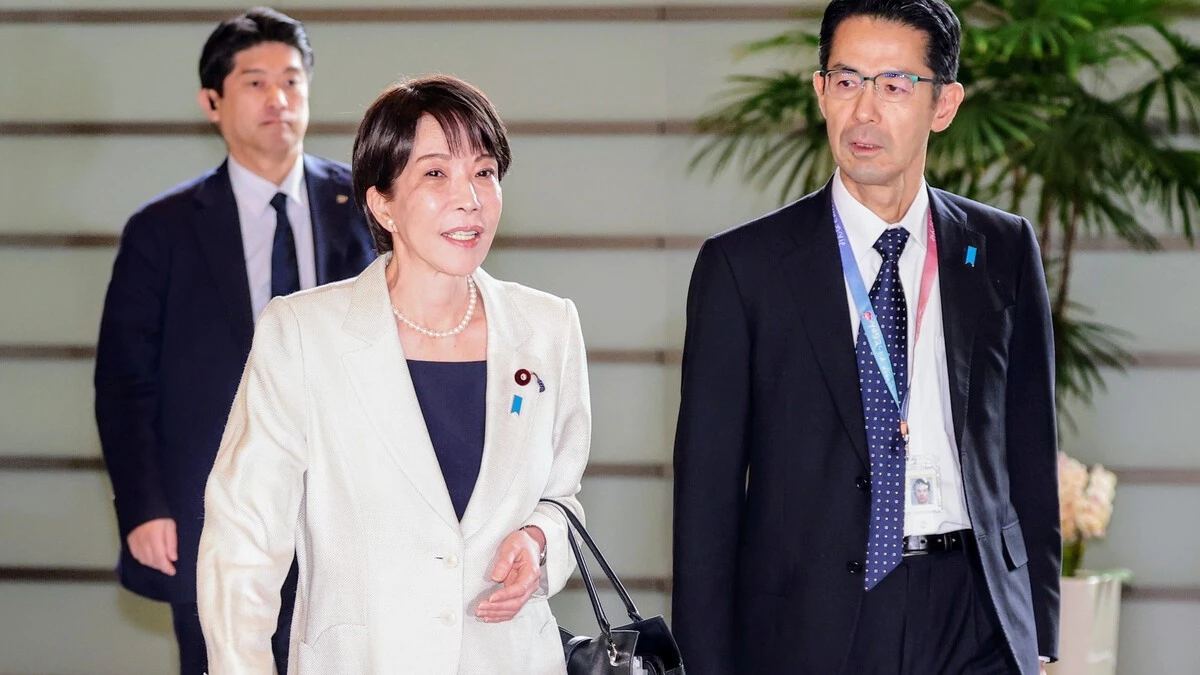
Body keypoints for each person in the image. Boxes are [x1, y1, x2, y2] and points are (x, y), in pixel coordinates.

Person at [671, 1, 1060, 673]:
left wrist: (1041, 635)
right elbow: (706, 498)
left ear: (944, 105)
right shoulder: (745, 267)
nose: (865, 110)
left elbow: (1029, 449)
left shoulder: (1000, 248)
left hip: (977, 614)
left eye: (895, 84)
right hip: (814, 622)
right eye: (847, 81)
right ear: (821, 92)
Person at [196, 75, 591, 674]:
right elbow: (243, 541)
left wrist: (539, 541)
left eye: (484, 172)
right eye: (436, 174)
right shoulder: (304, 333)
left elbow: (560, 498)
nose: (470, 198)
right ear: (383, 203)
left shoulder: (547, 328)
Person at [93, 8, 375, 675]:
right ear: (211, 102)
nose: (279, 98)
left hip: (349, 506)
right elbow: (126, 383)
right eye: (255, 82)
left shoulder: (369, 208)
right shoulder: (161, 230)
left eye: (292, 80)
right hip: (214, 506)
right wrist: (146, 507)